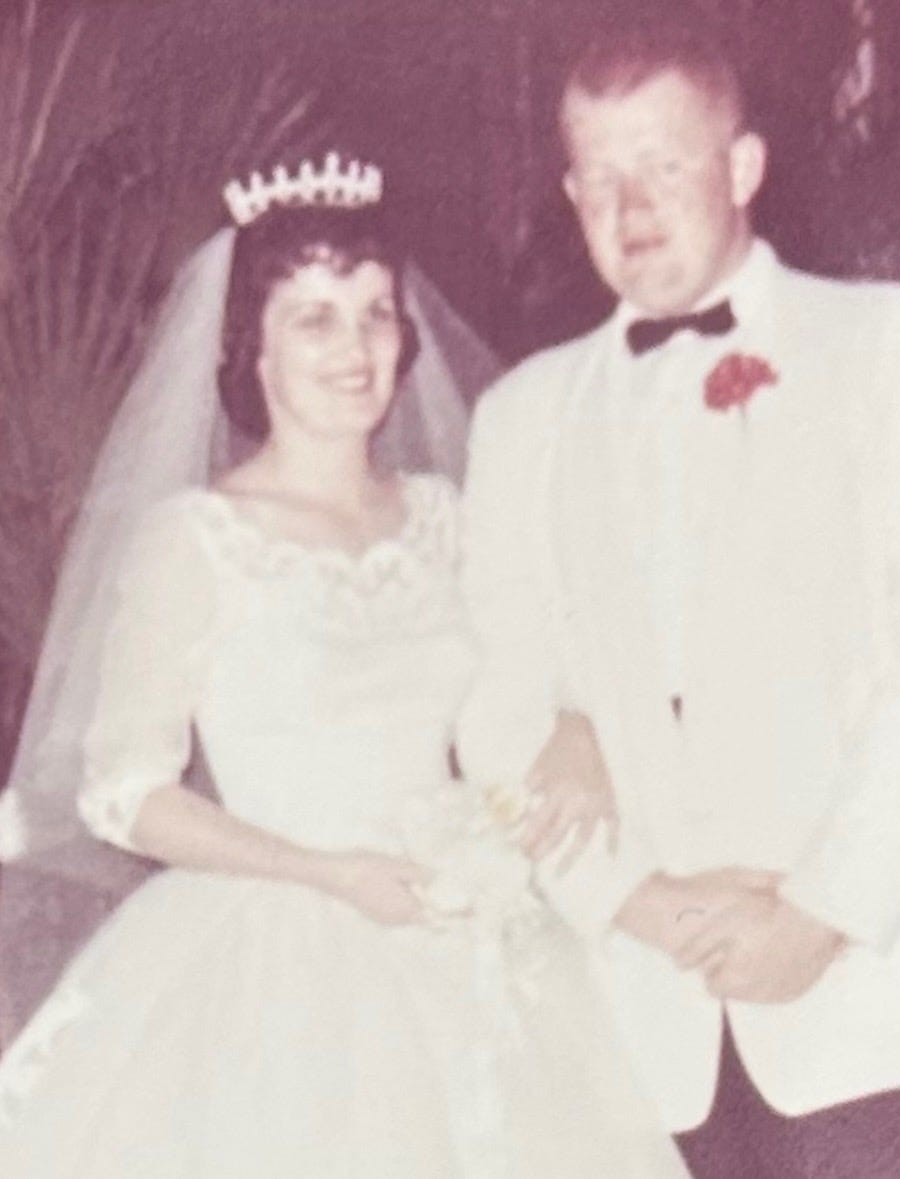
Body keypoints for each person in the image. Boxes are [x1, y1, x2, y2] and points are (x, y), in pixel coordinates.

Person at [0, 159, 690, 1178]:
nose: (356, 348)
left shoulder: (447, 516)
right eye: (315, 320)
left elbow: (538, 670)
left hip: (460, 931)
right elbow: (126, 795)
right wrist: (327, 874)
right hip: (269, 948)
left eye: (375, 314)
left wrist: (576, 728)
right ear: (252, 348)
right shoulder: (196, 539)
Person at [457, 14, 900, 1178]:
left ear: (745, 166)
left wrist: (819, 913)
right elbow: (495, 713)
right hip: (640, 1020)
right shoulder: (522, 417)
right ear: (570, 196)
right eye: (601, 178)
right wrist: (636, 903)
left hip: (875, 1003)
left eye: (664, 166)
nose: (632, 209)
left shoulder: (895, 345)